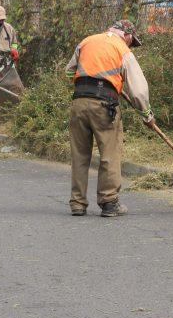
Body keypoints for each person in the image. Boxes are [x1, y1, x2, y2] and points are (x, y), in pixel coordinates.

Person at [65, 20, 155, 217]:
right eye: (132, 42)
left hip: (79, 102)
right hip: (104, 106)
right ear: (128, 36)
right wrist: (147, 115)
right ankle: (109, 203)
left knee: (79, 155)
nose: (131, 45)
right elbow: (139, 91)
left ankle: (78, 203)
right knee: (109, 155)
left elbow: (70, 70)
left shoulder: (87, 42)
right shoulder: (122, 49)